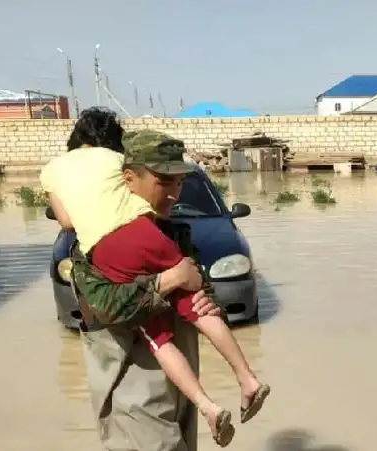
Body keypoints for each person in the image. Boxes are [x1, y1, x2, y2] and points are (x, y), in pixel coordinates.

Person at [41, 122, 270, 447]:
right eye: (164, 182)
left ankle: (236, 387)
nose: (174, 194)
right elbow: (106, 306)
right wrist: (168, 281)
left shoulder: (172, 233)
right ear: (124, 178)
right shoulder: (88, 249)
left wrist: (207, 298)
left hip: (179, 396)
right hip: (137, 394)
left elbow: (203, 296)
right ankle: (236, 386)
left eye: (179, 182)